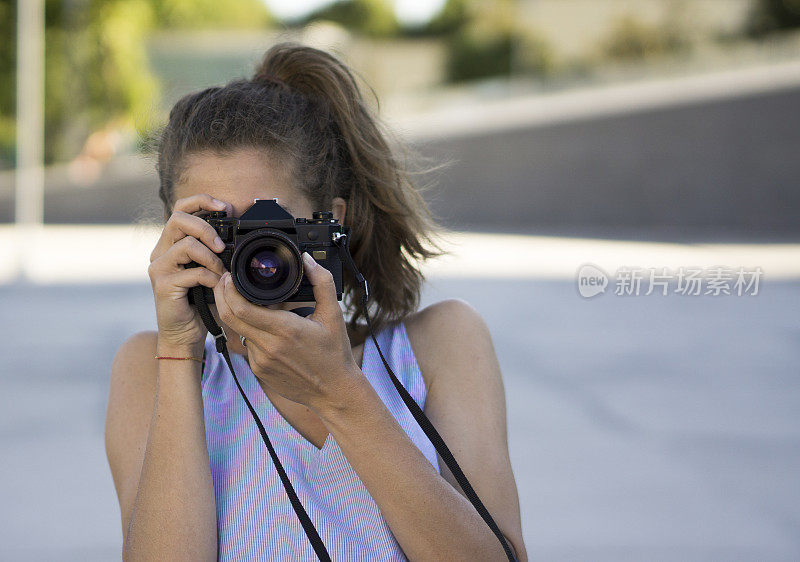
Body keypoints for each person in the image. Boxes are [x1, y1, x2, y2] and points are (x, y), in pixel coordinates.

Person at [104, 41, 527, 561]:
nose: (247, 257)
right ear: (175, 232)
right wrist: (177, 350)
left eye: (269, 228)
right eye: (219, 228)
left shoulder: (440, 346)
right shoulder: (150, 369)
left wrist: (339, 392)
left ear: (332, 224)